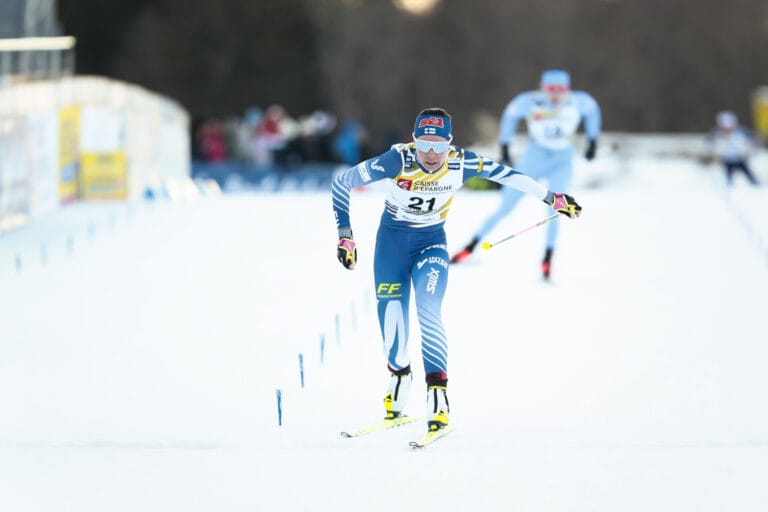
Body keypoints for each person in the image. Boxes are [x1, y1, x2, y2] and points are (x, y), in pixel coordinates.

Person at [331, 107, 582, 432]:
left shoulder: (461, 162)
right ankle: (399, 375)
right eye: (424, 145)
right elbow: (342, 183)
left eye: (439, 146)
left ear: (450, 143)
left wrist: (553, 198)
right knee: (393, 328)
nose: (432, 154)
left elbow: (509, 175)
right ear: (414, 141)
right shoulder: (397, 161)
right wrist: (346, 237)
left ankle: (438, 394)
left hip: (431, 246)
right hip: (391, 247)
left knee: (428, 309)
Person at [450, 69, 601, 280]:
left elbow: (593, 112)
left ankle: (548, 259)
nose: (555, 95)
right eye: (550, 89)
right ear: (542, 88)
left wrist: (593, 140)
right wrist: (504, 146)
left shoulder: (579, 101)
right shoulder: (529, 101)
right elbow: (509, 118)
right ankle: (470, 246)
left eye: (560, 90)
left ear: (567, 90)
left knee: (557, 206)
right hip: (534, 157)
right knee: (506, 205)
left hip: (562, 160)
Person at [703, 110, 761, 186]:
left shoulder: (742, 132)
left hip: (740, 158)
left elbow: (754, 140)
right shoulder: (716, 134)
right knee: (728, 178)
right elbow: (708, 144)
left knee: (748, 174)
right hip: (726, 159)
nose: (727, 128)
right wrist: (708, 153)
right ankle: (729, 187)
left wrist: (751, 149)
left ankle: (756, 185)